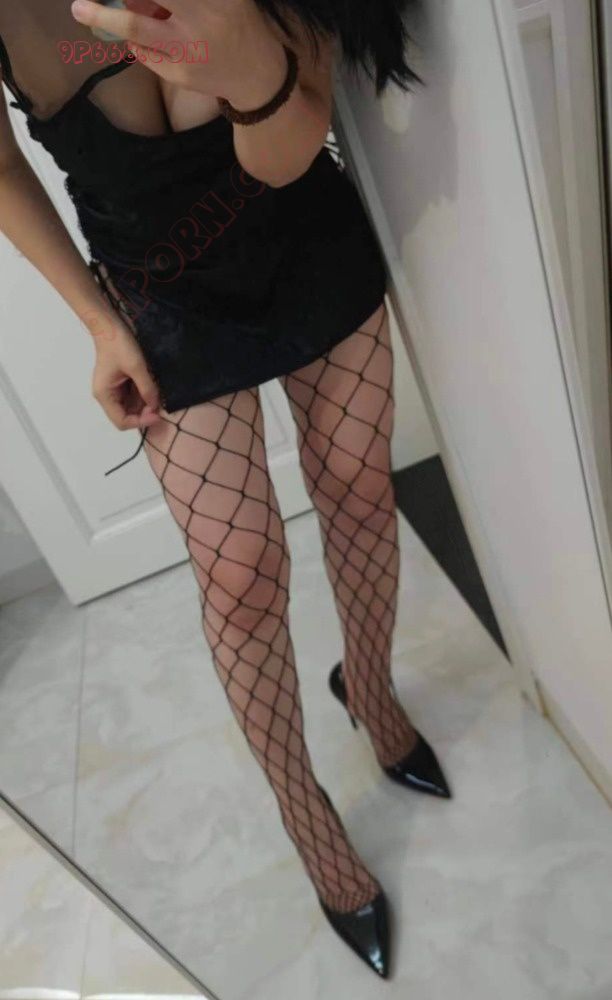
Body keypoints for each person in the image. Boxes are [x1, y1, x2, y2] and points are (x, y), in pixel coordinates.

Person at [0, 0, 451, 978]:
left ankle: (371, 694)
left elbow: (291, 143)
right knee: (240, 576)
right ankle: (302, 810)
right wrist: (96, 323)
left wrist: (248, 69)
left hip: (302, 232)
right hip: (153, 295)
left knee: (359, 489)